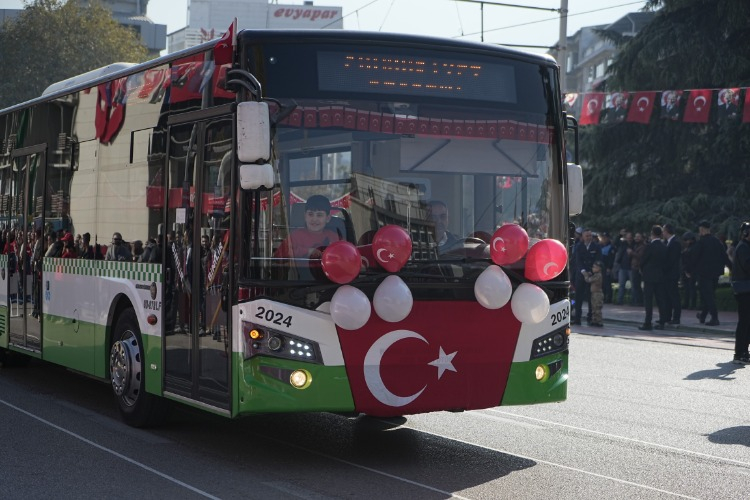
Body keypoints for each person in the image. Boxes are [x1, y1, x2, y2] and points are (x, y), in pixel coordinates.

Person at [275, 195, 341, 259]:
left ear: (328, 218)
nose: (314, 219)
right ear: (305, 216)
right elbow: (279, 256)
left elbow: (344, 254)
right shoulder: (295, 237)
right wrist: (307, 251)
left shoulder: (334, 237)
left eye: (319, 215)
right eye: (310, 214)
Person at [689, 220, 728, 326]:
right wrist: (732, 268)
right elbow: (724, 256)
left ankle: (714, 318)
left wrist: (689, 270)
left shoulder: (701, 242)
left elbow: (694, 258)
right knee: (709, 295)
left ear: (702, 230)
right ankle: (703, 315)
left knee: (708, 296)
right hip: (715, 273)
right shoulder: (717, 242)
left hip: (704, 273)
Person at [638, 225, 668, 331]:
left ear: (652, 234)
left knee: (648, 300)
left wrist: (642, 269)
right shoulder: (664, 246)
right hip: (660, 276)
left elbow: (643, 260)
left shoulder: (650, 246)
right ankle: (662, 321)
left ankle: (648, 322)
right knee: (661, 299)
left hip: (649, 276)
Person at [573, 228, 601, 325]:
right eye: (587, 236)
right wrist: (584, 271)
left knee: (591, 298)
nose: (589, 237)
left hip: (592, 275)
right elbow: (578, 260)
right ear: (582, 237)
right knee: (578, 297)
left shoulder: (596, 246)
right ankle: (577, 318)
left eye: (590, 236)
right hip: (581, 275)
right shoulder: (578, 246)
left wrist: (591, 271)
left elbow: (598, 259)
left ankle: (591, 318)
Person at [731, 222, 750, 364]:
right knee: (744, 321)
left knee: (747, 322)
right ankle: (739, 352)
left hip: (746, 288)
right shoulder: (743, 247)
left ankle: (744, 350)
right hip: (744, 290)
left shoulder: (745, 246)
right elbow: (747, 266)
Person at [662, 223, 682, 325]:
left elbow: (672, 260)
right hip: (667, 274)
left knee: (674, 296)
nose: (662, 233)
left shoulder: (675, 243)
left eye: (663, 231)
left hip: (672, 274)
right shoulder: (667, 242)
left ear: (667, 231)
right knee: (667, 296)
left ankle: (676, 317)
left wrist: (663, 268)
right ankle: (667, 316)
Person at [614, 231, 634, 305]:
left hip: (631, 267)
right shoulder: (623, 244)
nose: (629, 239)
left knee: (633, 285)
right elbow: (615, 242)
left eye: (630, 238)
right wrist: (620, 235)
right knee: (621, 285)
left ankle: (633, 301)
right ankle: (620, 300)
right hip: (622, 267)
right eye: (627, 238)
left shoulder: (634, 244)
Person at [583, 261, 604, 327]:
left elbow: (588, 280)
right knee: (594, 308)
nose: (593, 268)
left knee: (597, 308)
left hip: (597, 294)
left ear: (599, 268)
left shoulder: (598, 275)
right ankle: (594, 320)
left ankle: (599, 321)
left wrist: (585, 274)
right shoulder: (595, 275)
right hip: (594, 293)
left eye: (595, 267)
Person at [681, 232, 698, 309]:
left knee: (691, 287)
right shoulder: (688, 248)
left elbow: (691, 261)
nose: (686, 242)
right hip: (687, 270)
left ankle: (692, 304)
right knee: (687, 288)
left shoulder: (693, 248)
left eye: (686, 240)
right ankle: (687, 303)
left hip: (691, 271)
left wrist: (688, 271)